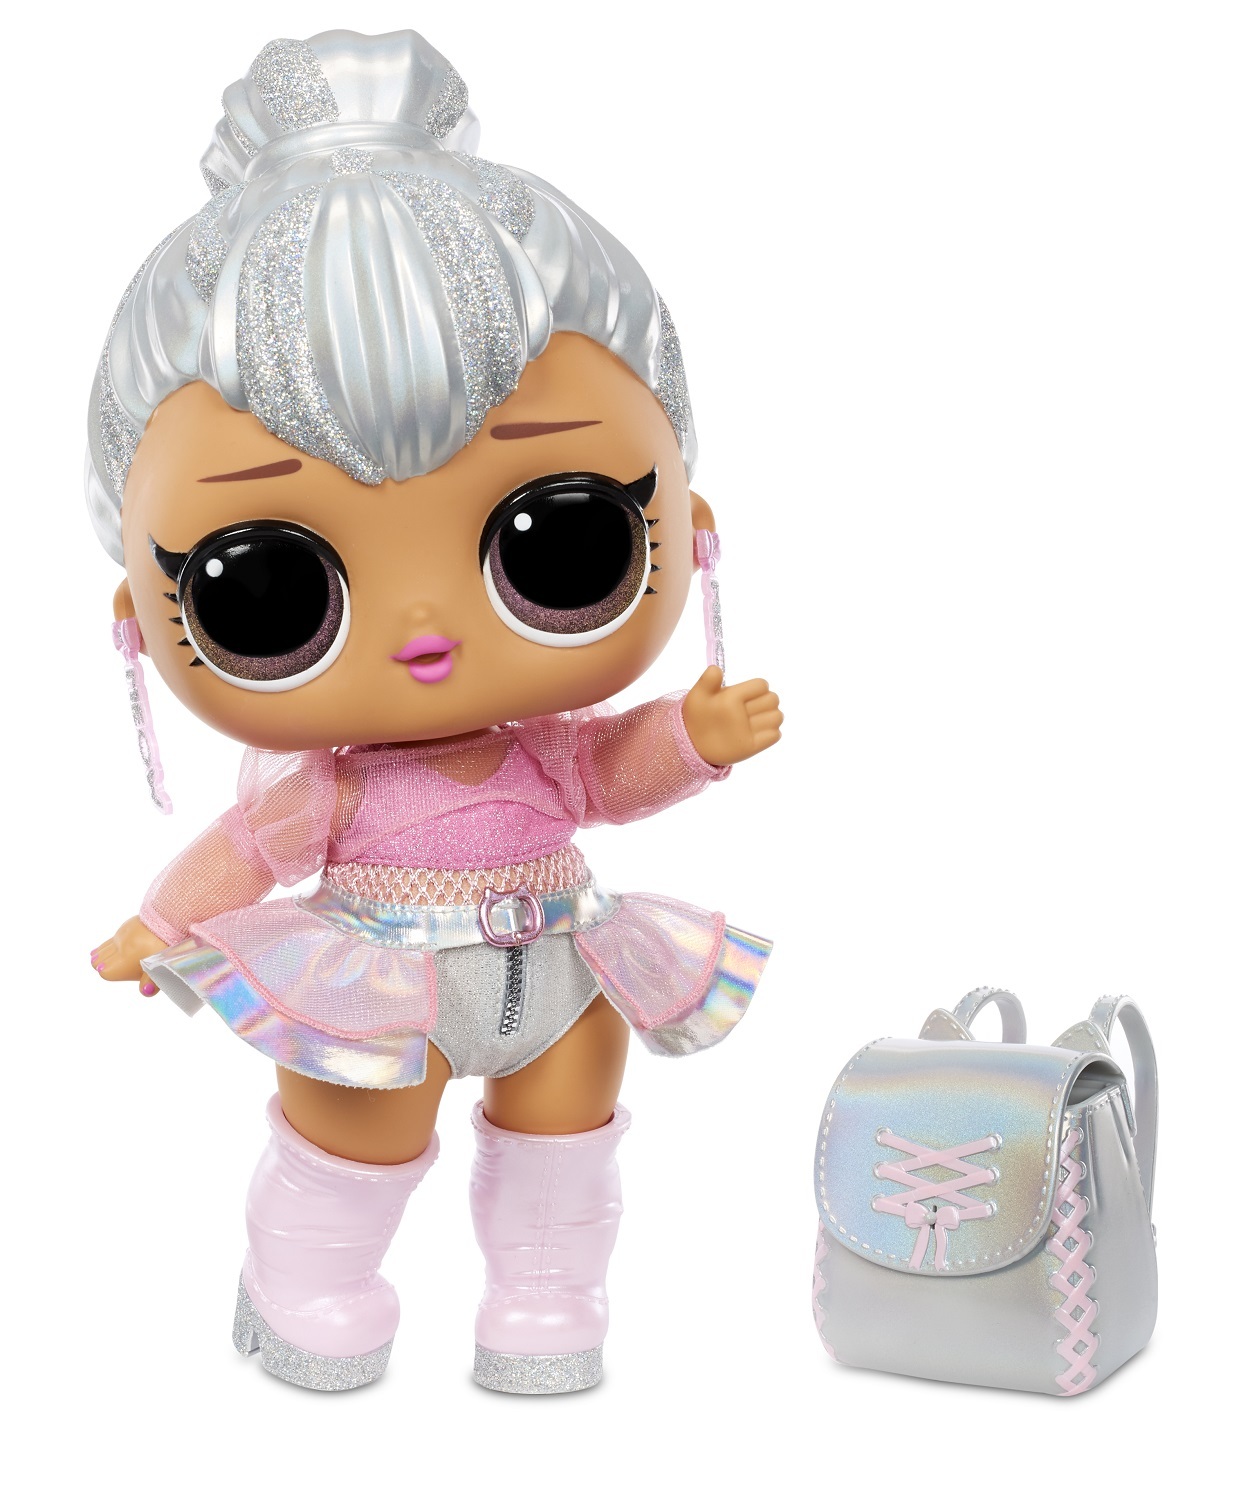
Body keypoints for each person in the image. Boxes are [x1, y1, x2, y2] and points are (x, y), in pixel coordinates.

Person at [89, 28, 782, 1395]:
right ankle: (310, 1294)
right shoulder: (333, 788)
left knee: (568, 1130)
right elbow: (249, 851)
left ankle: (547, 1303)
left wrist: (690, 741)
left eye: (559, 540)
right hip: (376, 987)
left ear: (689, 528)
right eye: (267, 587)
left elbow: (605, 771)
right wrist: (156, 925)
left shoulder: (544, 752)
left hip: (562, 966)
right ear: (138, 617)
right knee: (356, 1138)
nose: (424, 632)